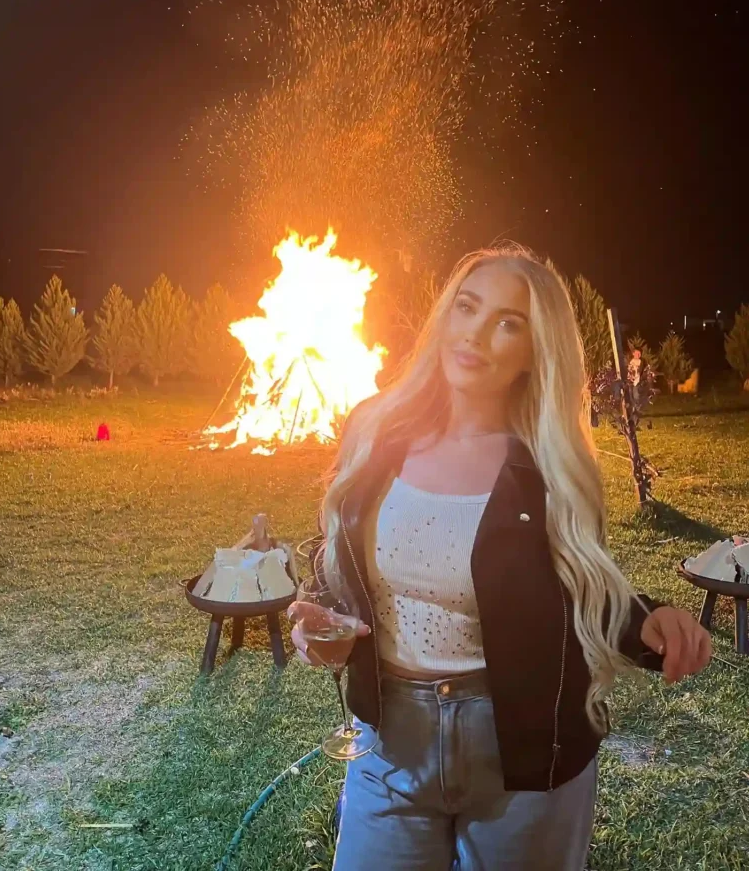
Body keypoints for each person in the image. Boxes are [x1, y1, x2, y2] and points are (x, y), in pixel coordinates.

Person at [288, 246, 711, 871]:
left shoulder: (548, 467)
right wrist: (320, 625)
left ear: (535, 351)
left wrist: (650, 626)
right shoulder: (375, 432)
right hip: (388, 743)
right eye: (467, 306)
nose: (477, 333)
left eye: (508, 322)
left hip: (523, 750)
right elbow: (338, 559)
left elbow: (580, 585)